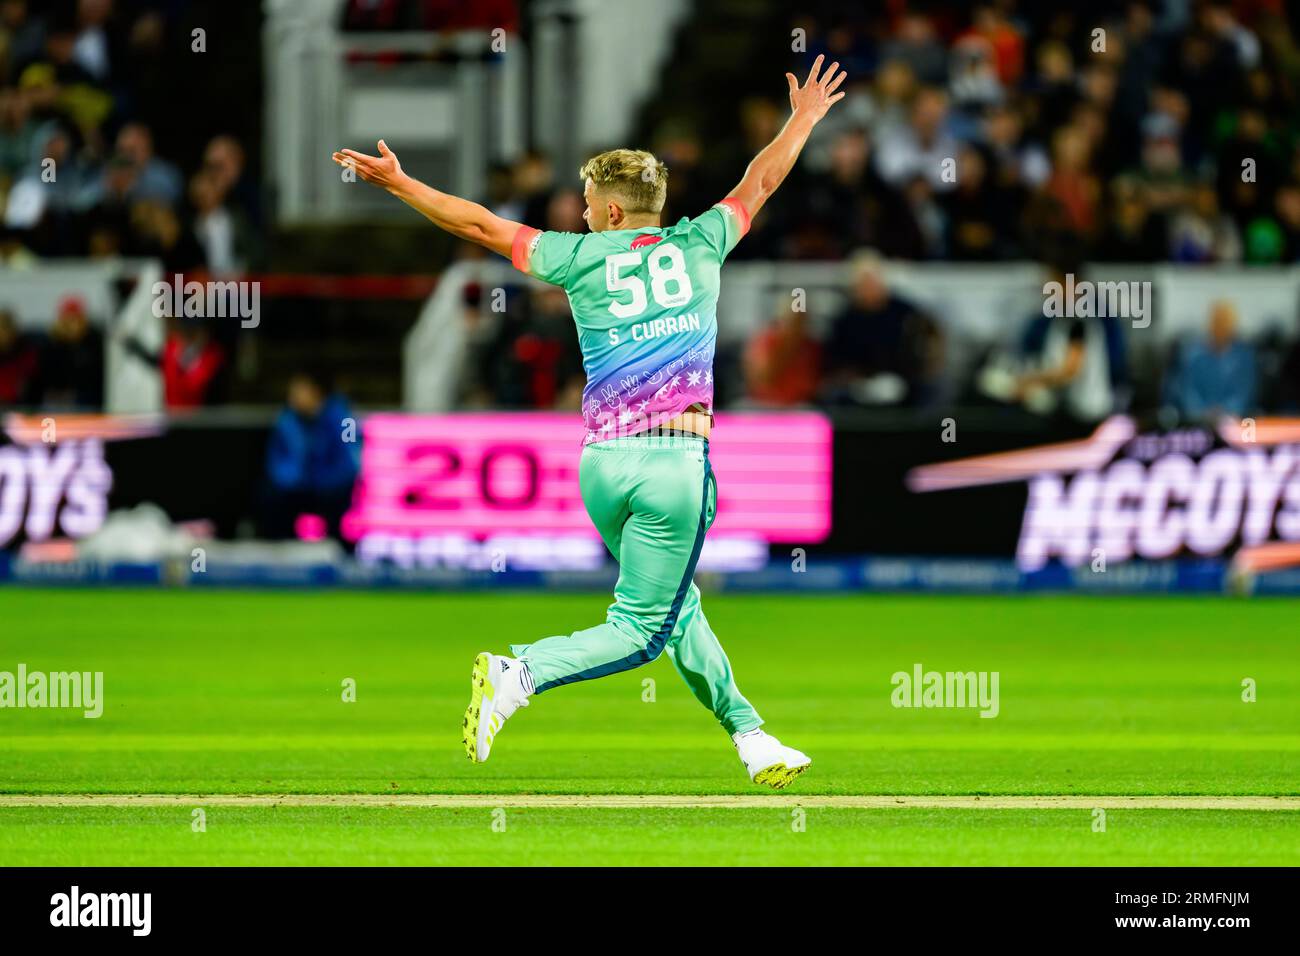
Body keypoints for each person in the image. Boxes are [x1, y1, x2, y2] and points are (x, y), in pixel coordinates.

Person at [334, 54, 849, 789]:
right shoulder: (702, 242)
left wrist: (403, 183)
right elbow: (761, 180)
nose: (579, 213)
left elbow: (479, 225)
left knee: (677, 607)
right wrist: (803, 119)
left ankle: (752, 736)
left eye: (584, 203)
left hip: (602, 467)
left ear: (609, 213)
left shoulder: (574, 256)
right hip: (674, 466)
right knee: (641, 630)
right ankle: (521, 673)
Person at [260, 369, 361, 542]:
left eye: (298, 391)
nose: (293, 397)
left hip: (331, 489)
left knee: (340, 501)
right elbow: (277, 463)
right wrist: (296, 480)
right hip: (298, 488)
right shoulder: (287, 421)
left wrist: (324, 481)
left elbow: (350, 462)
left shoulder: (345, 419)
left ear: (315, 391)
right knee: (269, 495)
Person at [1165, 300, 1256, 421]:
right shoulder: (1193, 356)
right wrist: (1202, 413)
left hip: (1233, 422)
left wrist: (1225, 412)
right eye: (1217, 324)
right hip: (1198, 421)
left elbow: (1243, 394)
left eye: (1225, 325)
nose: (1221, 330)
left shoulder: (1243, 358)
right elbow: (1188, 392)